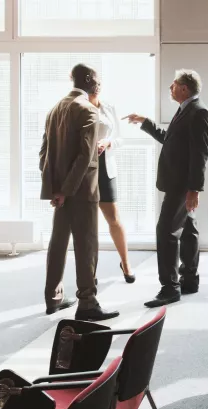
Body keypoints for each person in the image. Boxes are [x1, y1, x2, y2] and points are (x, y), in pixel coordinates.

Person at [124, 69, 208, 308]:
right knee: (188, 230)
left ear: (184, 88)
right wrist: (146, 123)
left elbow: (200, 154)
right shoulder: (186, 109)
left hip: (182, 186)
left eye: (173, 85)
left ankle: (169, 287)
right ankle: (189, 279)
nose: (170, 88)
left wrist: (194, 189)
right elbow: (170, 139)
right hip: (179, 183)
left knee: (166, 232)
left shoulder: (198, 112)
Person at [39, 63, 119, 322]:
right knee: (86, 246)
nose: (100, 83)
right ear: (89, 81)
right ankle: (87, 302)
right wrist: (67, 190)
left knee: (58, 243)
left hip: (62, 192)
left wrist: (55, 189)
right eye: (98, 79)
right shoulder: (87, 110)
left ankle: (53, 298)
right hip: (82, 191)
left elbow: (45, 154)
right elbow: (86, 156)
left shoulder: (55, 109)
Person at [89, 89, 136, 284]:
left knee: (114, 219)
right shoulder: (78, 107)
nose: (96, 87)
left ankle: (125, 263)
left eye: (98, 83)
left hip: (106, 170)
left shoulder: (109, 107)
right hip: (85, 169)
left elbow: (120, 139)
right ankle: (89, 271)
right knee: (89, 224)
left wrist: (108, 142)